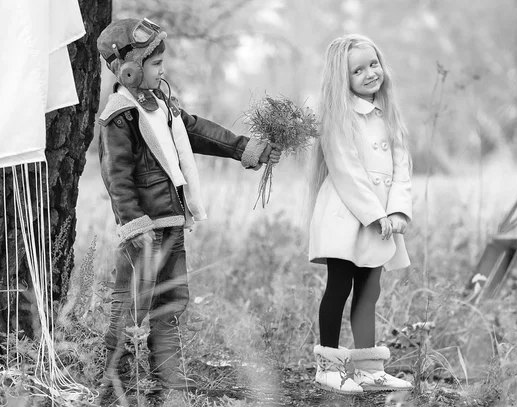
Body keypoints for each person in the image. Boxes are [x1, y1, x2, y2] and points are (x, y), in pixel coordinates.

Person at [95, 17, 281, 395]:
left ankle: (169, 382)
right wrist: (135, 225)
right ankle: (116, 384)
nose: (164, 70)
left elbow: (195, 130)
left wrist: (243, 147)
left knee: (171, 303)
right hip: (144, 231)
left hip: (173, 224)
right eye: (156, 63)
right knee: (130, 306)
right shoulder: (120, 115)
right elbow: (117, 176)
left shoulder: (160, 103)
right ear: (128, 70)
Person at [307, 34, 413, 393]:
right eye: (358, 70)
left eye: (373, 64)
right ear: (343, 79)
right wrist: (374, 213)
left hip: (381, 221)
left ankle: (368, 368)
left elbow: (402, 167)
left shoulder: (389, 115)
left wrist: (397, 211)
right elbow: (345, 170)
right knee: (339, 287)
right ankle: (329, 366)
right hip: (346, 216)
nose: (370, 73)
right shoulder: (341, 117)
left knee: (370, 290)